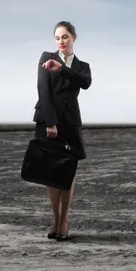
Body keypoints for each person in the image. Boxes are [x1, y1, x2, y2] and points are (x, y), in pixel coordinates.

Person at [33, 21, 91, 241]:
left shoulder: (82, 66)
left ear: (74, 37)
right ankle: (55, 219)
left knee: (68, 171)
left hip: (70, 122)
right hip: (48, 120)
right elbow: (43, 90)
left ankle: (64, 221)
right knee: (50, 171)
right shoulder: (46, 58)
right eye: (57, 38)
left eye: (65, 37)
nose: (61, 41)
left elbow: (85, 83)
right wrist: (50, 122)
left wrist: (63, 69)